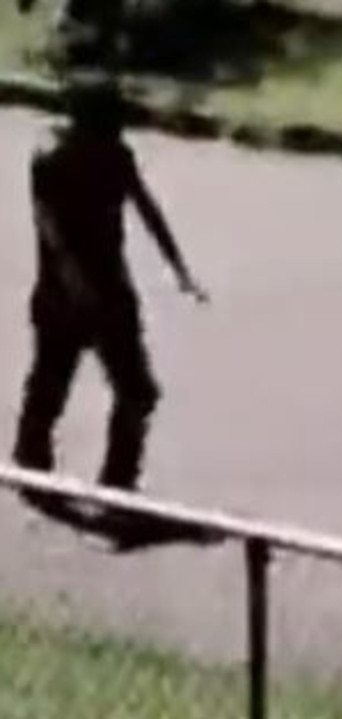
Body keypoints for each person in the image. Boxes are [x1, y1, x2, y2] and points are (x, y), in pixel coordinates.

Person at [12, 77, 210, 549]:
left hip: (103, 295)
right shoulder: (51, 160)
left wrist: (178, 267)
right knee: (53, 384)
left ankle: (113, 487)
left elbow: (145, 207)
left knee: (135, 392)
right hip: (69, 297)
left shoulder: (113, 156)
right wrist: (81, 287)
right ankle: (33, 464)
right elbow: (52, 230)